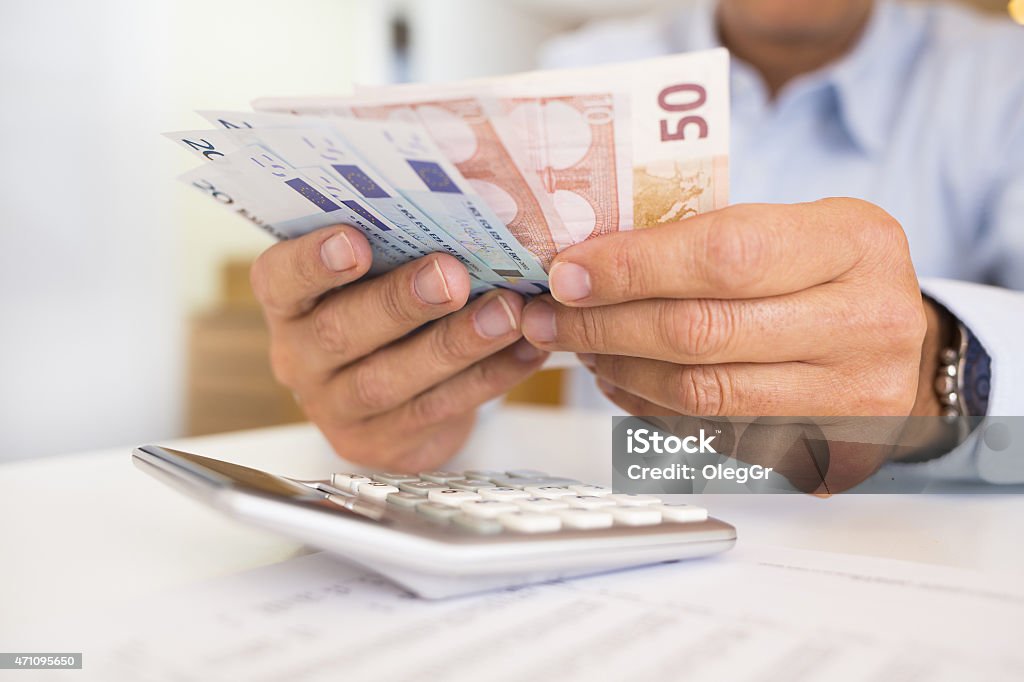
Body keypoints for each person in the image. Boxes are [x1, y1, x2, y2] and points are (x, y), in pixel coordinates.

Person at [248, 0, 1024, 483]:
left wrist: (951, 368)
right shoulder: (576, 70)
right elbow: (493, 322)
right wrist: (414, 411)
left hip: (914, 552)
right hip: (613, 533)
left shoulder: (1003, 78)